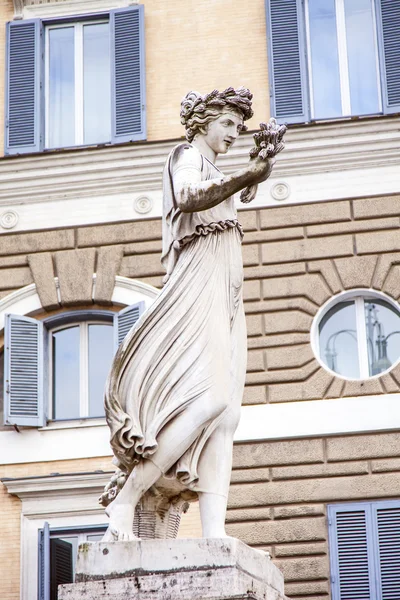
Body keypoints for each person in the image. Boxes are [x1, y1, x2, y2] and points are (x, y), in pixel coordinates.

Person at [103, 87, 276, 541]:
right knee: (211, 399)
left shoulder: (217, 166)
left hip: (227, 290)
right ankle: (125, 501)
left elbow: (239, 189)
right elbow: (188, 196)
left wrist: (259, 166)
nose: (235, 134)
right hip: (199, 278)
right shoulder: (186, 156)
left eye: (240, 128)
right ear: (203, 122)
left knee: (227, 417)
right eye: (228, 125)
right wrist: (245, 176)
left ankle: (214, 532)